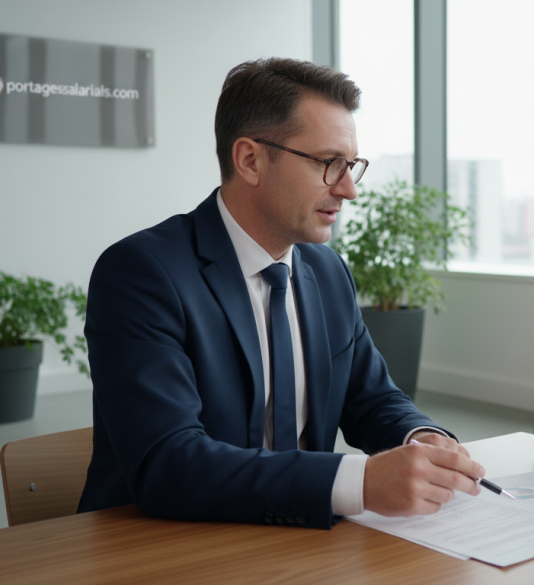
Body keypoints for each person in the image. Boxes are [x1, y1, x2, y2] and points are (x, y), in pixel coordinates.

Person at [77, 58, 485, 528]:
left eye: (350, 165)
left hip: (296, 544)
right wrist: (362, 482)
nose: (349, 189)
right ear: (250, 160)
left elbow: (371, 399)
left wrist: (423, 436)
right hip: (159, 548)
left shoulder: (328, 272)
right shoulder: (141, 273)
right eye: (328, 164)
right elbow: (168, 464)